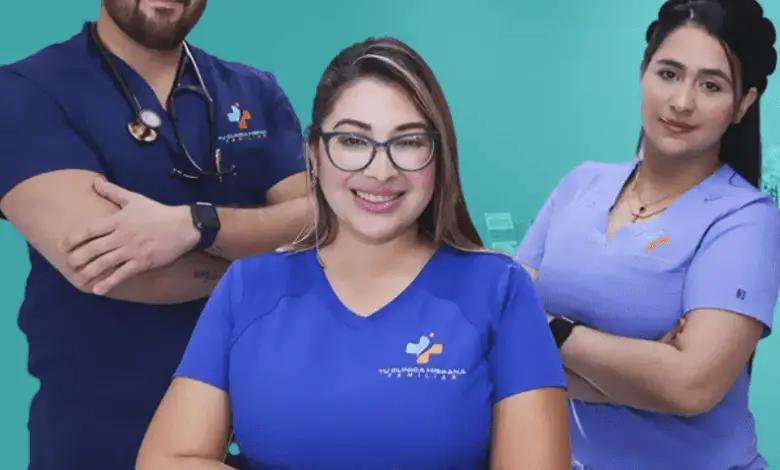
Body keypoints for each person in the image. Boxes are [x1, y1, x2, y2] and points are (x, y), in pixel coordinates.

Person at [135, 37, 571, 470]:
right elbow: (165, 460)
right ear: (314, 154)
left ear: (438, 157)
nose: (381, 171)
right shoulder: (249, 287)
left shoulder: (500, 290)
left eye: (408, 141)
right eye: (353, 141)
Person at [0, 1, 311, 469]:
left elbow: (320, 220)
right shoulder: (25, 92)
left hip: (260, 429)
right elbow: (109, 267)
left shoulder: (252, 90)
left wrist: (196, 225)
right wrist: (274, 265)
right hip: (103, 435)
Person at [514, 0, 780, 469]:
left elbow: (690, 386)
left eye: (712, 85)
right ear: (643, 73)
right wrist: (637, 374)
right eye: (669, 74)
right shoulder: (582, 183)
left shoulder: (745, 218)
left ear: (743, 103)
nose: (682, 102)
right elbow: (507, 333)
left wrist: (554, 329)